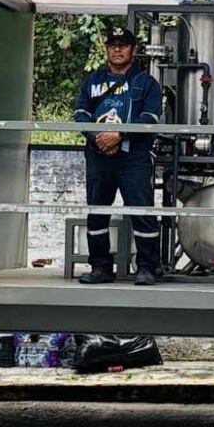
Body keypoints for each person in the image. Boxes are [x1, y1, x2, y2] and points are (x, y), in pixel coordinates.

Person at [74, 26, 163, 286]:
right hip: (98, 156)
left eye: (123, 45)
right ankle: (100, 267)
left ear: (133, 50)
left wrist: (119, 135)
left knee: (141, 211)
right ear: (106, 49)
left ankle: (147, 267)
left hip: (133, 157)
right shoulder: (92, 81)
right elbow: (80, 114)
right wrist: (97, 138)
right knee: (97, 211)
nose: (117, 49)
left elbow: (151, 118)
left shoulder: (147, 83)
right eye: (113, 44)